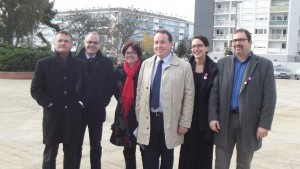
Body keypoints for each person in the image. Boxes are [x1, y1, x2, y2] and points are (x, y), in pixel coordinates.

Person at [209, 28, 277, 169]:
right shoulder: (222, 64)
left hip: (250, 123)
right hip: (224, 121)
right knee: (221, 163)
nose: (237, 43)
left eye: (241, 40)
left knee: (244, 164)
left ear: (250, 42)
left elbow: (269, 97)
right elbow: (214, 93)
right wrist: (213, 117)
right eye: (234, 40)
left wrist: (264, 124)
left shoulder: (264, 65)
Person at [135, 29, 195, 169]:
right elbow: (139, 92)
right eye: (156, 42)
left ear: (171, 44)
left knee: (167, 159)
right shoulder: (146, 64)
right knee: (149, 160)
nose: (158, 45)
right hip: (149, 119)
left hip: (170, 121)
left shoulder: (184, 66)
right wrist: (139, 116)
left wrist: (185, 122)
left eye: (163, 42)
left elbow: (189, 96)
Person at [30, 30, 90, 169]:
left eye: (66, 41)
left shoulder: (79, 64)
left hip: (72, 116)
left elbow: (87, 88)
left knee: (71, 155)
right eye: (60, 40)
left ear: (71, 45)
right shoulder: (43, 64)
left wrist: (80, 103)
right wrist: (48, 103)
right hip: (52, 116)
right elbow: (35, 89)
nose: (63, 43)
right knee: (50, 155)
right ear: (55, 43)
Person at [76, 32, 114, 169]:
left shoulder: (107, 62)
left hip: (96, 110)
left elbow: (110, 84)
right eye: (89, 42)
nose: (92, 45)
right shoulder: (75, 60)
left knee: (96, 145)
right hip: (78, 111)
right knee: (76, 146)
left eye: (95, 43)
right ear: (84, 42)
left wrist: (103, 101)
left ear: (99, 44)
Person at [178, 35, 217, 169]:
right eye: (194, 46)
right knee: (187, 156)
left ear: (207, 47)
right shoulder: (185, 67)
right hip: (187, 120)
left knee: (203, 157)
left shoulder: (214, 69)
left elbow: (216, 96)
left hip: (206, 121)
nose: (196, 48)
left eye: (199, 45)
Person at [110, 42, 144, 169]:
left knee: (144, 147)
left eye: (133, 52)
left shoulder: (145, 69)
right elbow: (112, 89)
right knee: (128, 149)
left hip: (142, 113)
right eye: (127, 53)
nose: (129, 55)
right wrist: (123, 100)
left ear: (138, 54)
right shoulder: (118, 71)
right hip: (124, 114)